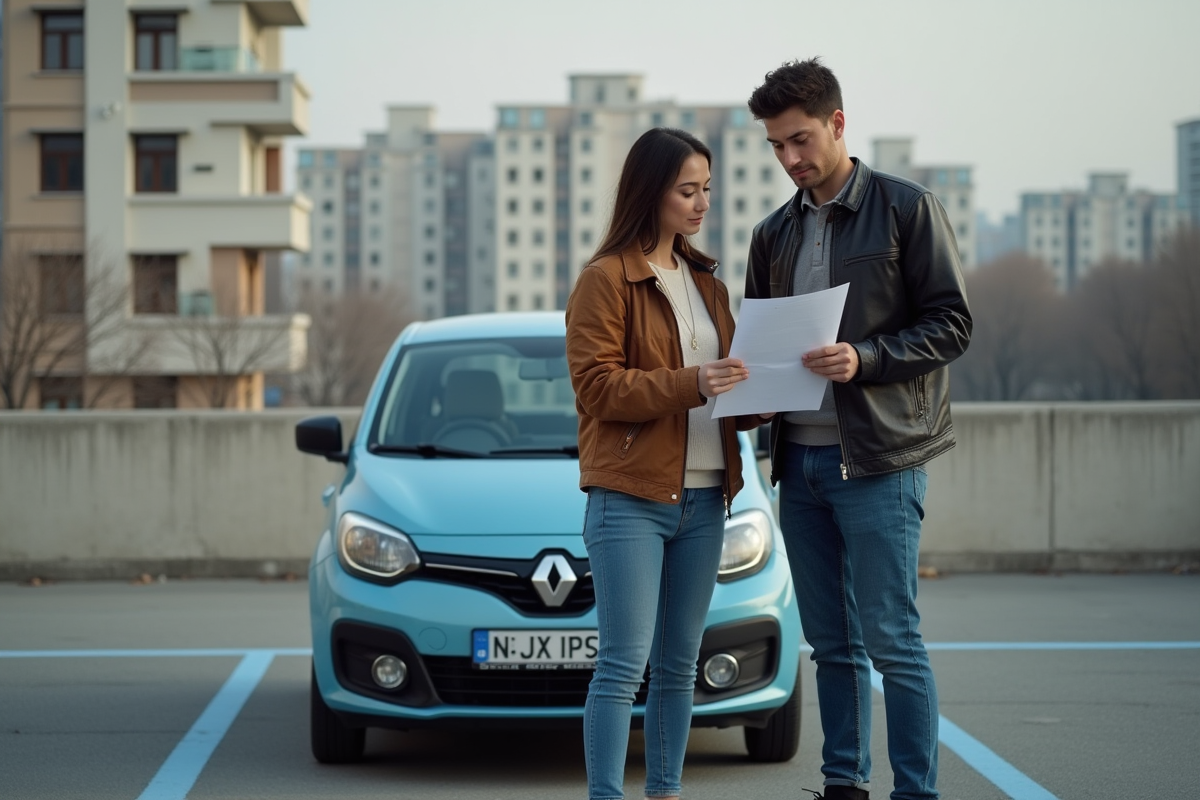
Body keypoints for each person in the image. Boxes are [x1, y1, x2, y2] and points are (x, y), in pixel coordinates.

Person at [744, 59, 972, 800]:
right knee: (831, 648)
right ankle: (843, 783)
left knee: (892, 642)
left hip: (878, 460)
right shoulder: (771, 233)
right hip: (799, 468)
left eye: (800, 140)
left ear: (839, 124)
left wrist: (866, 357)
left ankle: (916, 791)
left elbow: (952, 323)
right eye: (777, 146)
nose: (790, 159)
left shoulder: (907, 209)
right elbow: (760, 345)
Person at [565, 127, 761, 800]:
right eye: (687, 190)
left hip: (708, 500)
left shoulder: (708, 284)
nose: (702, 203)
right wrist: (692, 382)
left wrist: (778, 387)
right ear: (651, 192)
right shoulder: (605, 280)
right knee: (622, 665)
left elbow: (728, 388)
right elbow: (596, 389)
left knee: (680, 666)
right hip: (629, 498)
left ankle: (666, 792)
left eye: (707, 188)